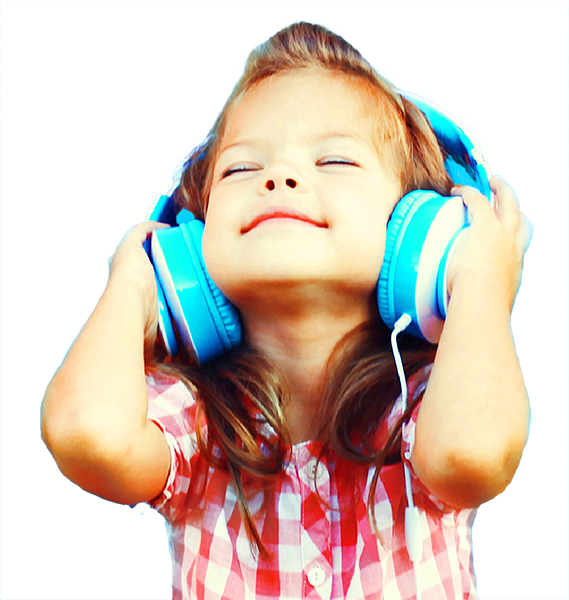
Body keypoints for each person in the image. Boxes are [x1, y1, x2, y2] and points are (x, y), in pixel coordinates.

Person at [40, 20, 532, 599]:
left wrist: (478, 278)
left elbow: (471, 457)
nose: (280, 178)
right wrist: (134, 283)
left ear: (420, 234)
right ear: (189, 252)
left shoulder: (425, 401)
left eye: (335, 162)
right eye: (241, 168)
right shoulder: (199, 421)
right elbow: (83, 435)